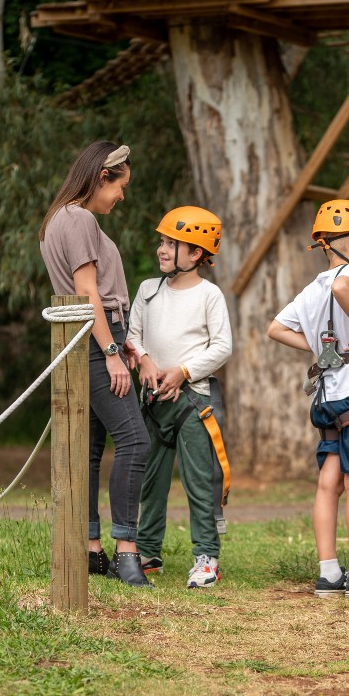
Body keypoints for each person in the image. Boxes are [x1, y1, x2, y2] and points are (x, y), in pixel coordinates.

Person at [267, 199, 349, 599]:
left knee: (328, 483)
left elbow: (275, 328)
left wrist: (326, 353)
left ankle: (329, 573)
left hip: (326, 395)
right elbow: (344, 288)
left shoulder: (311, 289)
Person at [39, 140, 152, 588]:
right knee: (135, 442)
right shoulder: (81, 217)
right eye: (121, 186)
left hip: (85, 338)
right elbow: (88, 294)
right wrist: (111, 353)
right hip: (95, 339)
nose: (122, 196)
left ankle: (91, 551)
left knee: (91, 449)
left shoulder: (56, 219)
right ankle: (127, 552)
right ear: (103, 177)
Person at [128, 206, 232, 589]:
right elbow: (132, 333)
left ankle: (206, 556)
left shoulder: (210, 295)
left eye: (172, 243)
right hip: (153, 401)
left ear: (198, 254)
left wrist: (183, 371)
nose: (162, 249)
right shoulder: (148, 290)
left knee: (199, 481)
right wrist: (145, 360)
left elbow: (222, 347)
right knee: (149, 479)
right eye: (162, 241)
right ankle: (148, 550)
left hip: (192, 403)